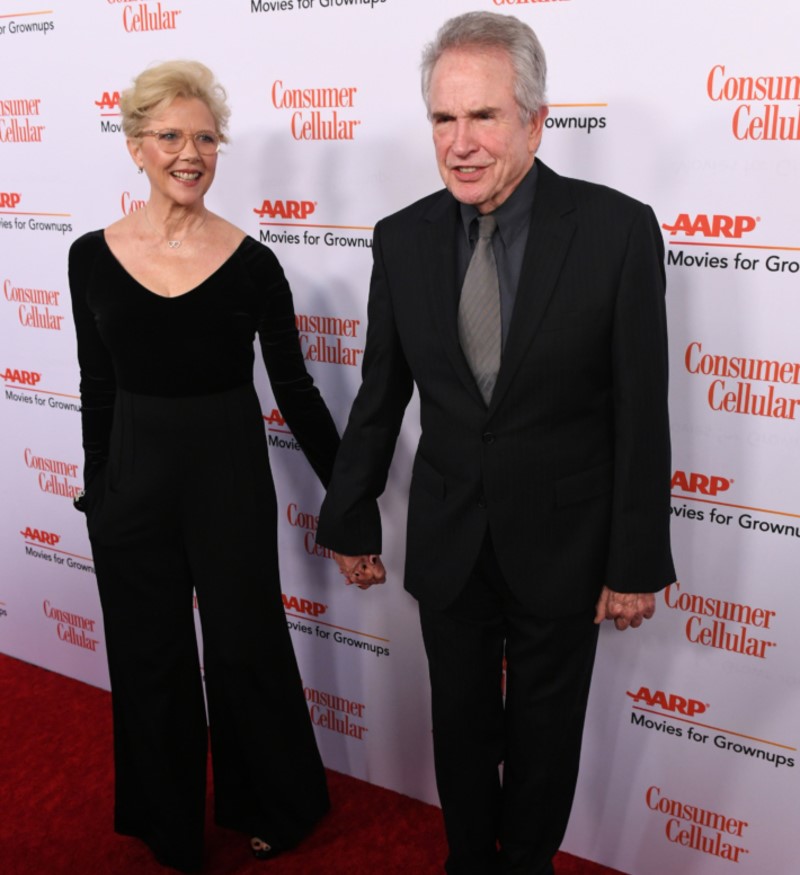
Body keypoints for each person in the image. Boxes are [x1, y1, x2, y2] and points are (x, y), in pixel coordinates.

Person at [316, 12, 675, 875]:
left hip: (566, 541)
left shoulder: (618, 231)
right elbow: (380, 391)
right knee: (462, 729)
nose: (462, 143)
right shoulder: (401, 237)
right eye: (445, 119)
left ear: (535, 121)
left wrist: (635, 560)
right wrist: (350, 511)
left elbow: (642, 408)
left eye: (484, 117)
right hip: (450, 537)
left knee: (547, 738)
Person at [68, 60, 339, 872]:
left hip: (227, 479)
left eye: (206, 137)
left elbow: (293, 388)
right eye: (172, 136)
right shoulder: (89, 257)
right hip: (131, 486)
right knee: (150, 660)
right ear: (136, 146)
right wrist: (98, 491)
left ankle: (274, 805)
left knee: (245, 646)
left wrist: (349, 496)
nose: (191, 152)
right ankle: (168, 822)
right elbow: (97, 384)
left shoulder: (253, 265)